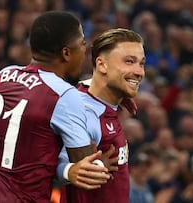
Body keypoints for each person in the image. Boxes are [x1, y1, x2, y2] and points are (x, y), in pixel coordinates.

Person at [0, 11, 111, 203]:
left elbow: (27, 143)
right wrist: (98, 164)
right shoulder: (63, 95)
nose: (85, 49)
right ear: (66, 53)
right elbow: (84, 166)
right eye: (82, 43)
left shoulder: (3, 76)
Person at [58, 28, 146, 203]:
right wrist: (91, 168)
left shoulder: (95, 98)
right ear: (101, 65)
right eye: (129, 62)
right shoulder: (85, 113)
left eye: (141, 63)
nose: (139, 72)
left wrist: (118, 94)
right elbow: (55, 165)